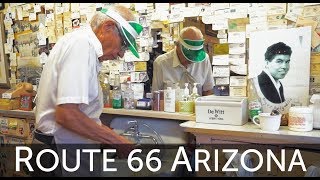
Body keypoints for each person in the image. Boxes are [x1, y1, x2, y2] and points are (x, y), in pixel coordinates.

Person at [31, 5, 143, 177]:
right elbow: (67, 115)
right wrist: (117, 141)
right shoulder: (81, 45)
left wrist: (107, 136)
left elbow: (83, 113)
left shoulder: (84, 46)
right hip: (59, 152)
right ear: (107, 27)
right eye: (124, 44)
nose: (121, 54)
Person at [152, 26, 214, 96]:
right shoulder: (161, 63)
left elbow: (208, 90)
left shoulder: (204, 60)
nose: (191, 60)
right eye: (188, 55)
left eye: (195, 55)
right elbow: (156, 96)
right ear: (177, 46)